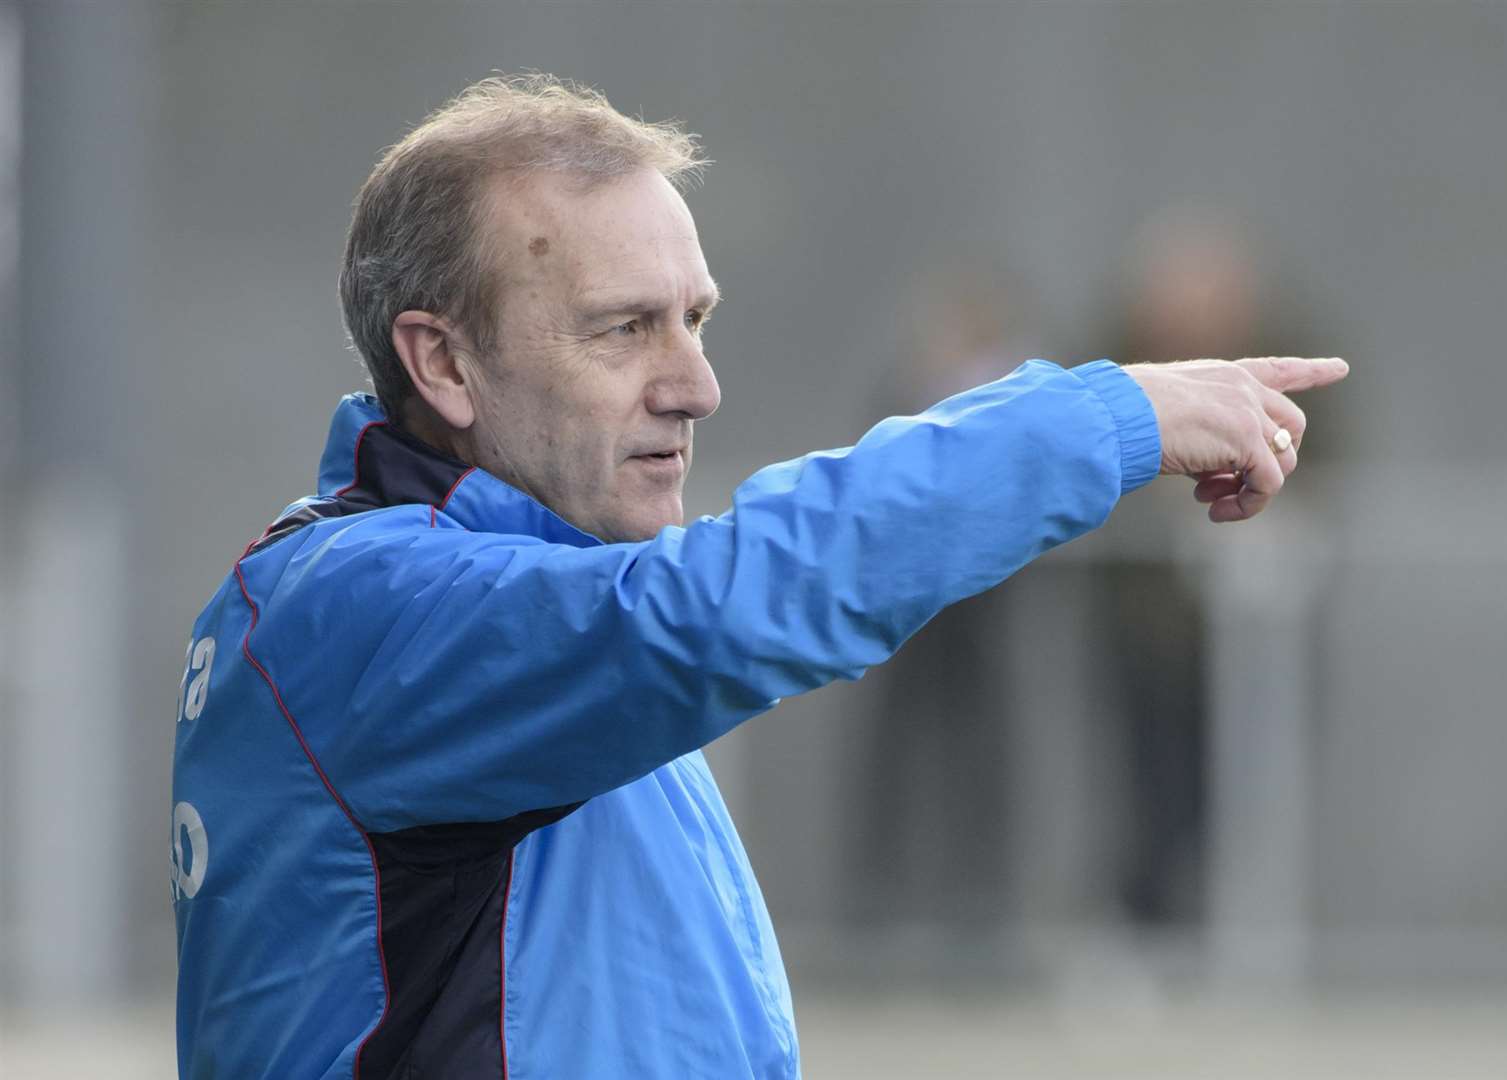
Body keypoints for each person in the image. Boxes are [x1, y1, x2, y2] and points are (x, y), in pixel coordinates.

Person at [169, 75, 1347, 1079]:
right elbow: (715, 611)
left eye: (697, 321)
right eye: (624, 329)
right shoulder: (362, 608)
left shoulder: (533, 588)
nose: (695, 385)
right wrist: (1100, 420)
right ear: (443, 361)